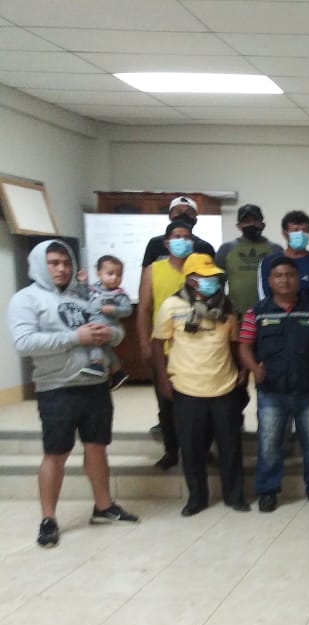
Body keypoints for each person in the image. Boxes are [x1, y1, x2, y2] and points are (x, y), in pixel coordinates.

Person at [9, 240, 138, 547]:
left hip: (95, 386)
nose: (61, 268)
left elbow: (114, 329)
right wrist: (75, 337)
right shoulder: (26, 299)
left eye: (66, 263)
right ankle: (48, 519)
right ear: (39, 264)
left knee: (97, 447)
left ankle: (103, 506)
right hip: (57, 388)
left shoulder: (82, 297)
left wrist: (110, 333)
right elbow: (24, 343)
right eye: (54, 263)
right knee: (56, 453)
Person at [152, 254, 249, 516]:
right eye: (205, 277)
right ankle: (197, 498)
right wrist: (163, 379)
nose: (211, 281)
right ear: (191, 279)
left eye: (214, 276)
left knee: (230, 447)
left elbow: (234, 343)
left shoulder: (227, 307)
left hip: (224, 387)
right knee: (192, 449)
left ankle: (235, 496)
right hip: (187, 388)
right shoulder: (172, 305)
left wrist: (242, 370)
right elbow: (157, 343)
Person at [238, 257, 309, 513]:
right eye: (278, 275)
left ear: (297, 279)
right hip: (272, 391)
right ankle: (268, 491)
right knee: (269, 444)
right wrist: (255, 368)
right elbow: (244, 345)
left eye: (290, 275)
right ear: (270, 280)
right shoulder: (256, 312)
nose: (284, 280)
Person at [138, 220, 194, 470]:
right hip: (164, 349)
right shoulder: (153, 270)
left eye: (187, 237)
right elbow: (144, 309)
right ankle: (171, 451)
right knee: (166, 403)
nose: (182, 241)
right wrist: (144, 343)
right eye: (177, 236)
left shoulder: (200, 269)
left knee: (196, 406)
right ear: (167, 243)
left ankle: (201, 450)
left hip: (195, 350)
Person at [74, 255, 132, 388]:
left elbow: (127, 310)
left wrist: (113, 309)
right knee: (105, 348)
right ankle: (117, 372)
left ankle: (97, 364)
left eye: (119, 275)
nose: (114, 278)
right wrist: (83, 282)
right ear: (99, 273)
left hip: (108, 325)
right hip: (92, 321)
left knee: (94, 341)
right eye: (110, 274)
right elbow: (83, 297)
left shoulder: (119, 294)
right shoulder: (93, 289)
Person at [215, 203, 282, 315]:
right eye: (246, 221)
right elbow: (217, 283)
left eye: (255, 220)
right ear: (239, 226)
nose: (251, 224)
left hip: (269, 313)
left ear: (263, 224)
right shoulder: (226, 249)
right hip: (236, 314)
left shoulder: (276, 250)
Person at [257, 210, 309, 309]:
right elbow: (264, 296)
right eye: (295, 230)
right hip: (273, 316)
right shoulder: (267, 263)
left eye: (304, 231)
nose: (300, 234)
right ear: (284, 234)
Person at [141, 196, 216, 268]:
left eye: (189, 213)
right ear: (170, 216)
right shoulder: (155, 244)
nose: (183, 216)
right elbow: (146, 271)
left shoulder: (204, 247)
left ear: (195, 219)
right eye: (178, 212)